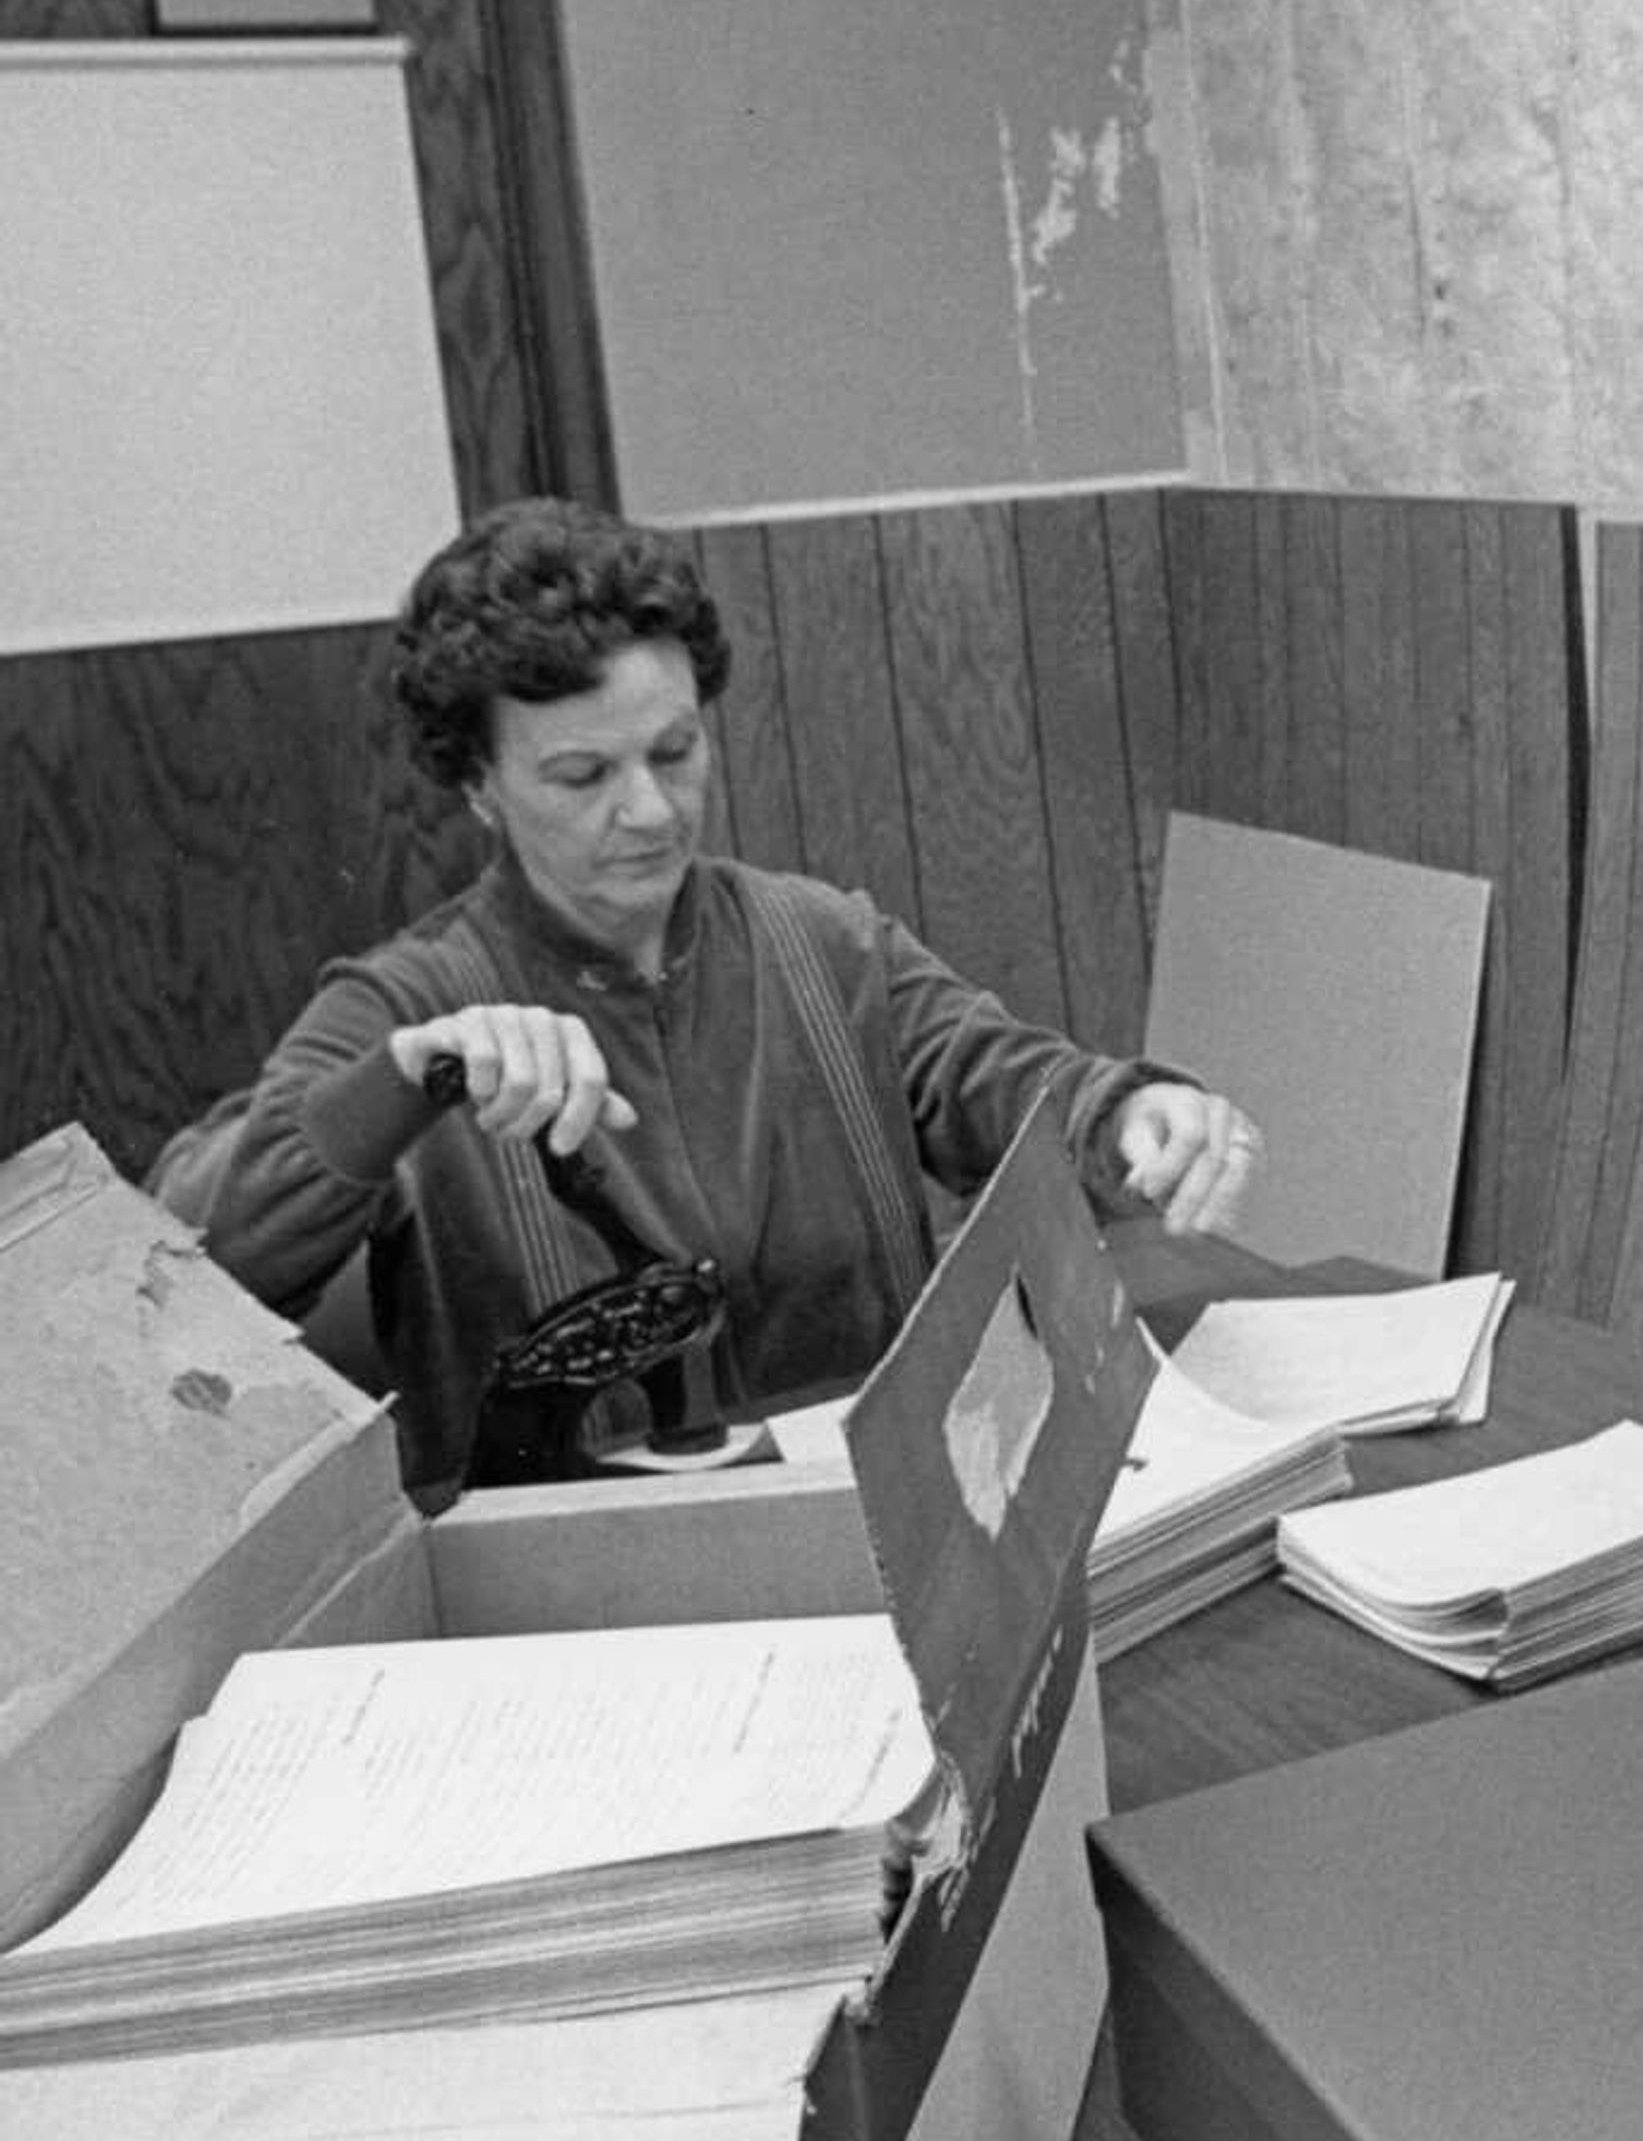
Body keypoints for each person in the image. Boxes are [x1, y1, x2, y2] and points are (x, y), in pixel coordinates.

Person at [162, 498, 1261, 1505]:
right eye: (582, 777)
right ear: (480, 787)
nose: (648, 811)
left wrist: (1127, 1116)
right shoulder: (412, 1004)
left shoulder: (822, 942)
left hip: (883, 1515)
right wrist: (404, 1083)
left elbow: (1007, 1083)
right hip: (567, 1578)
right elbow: (189, 1264)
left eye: (676, 752)